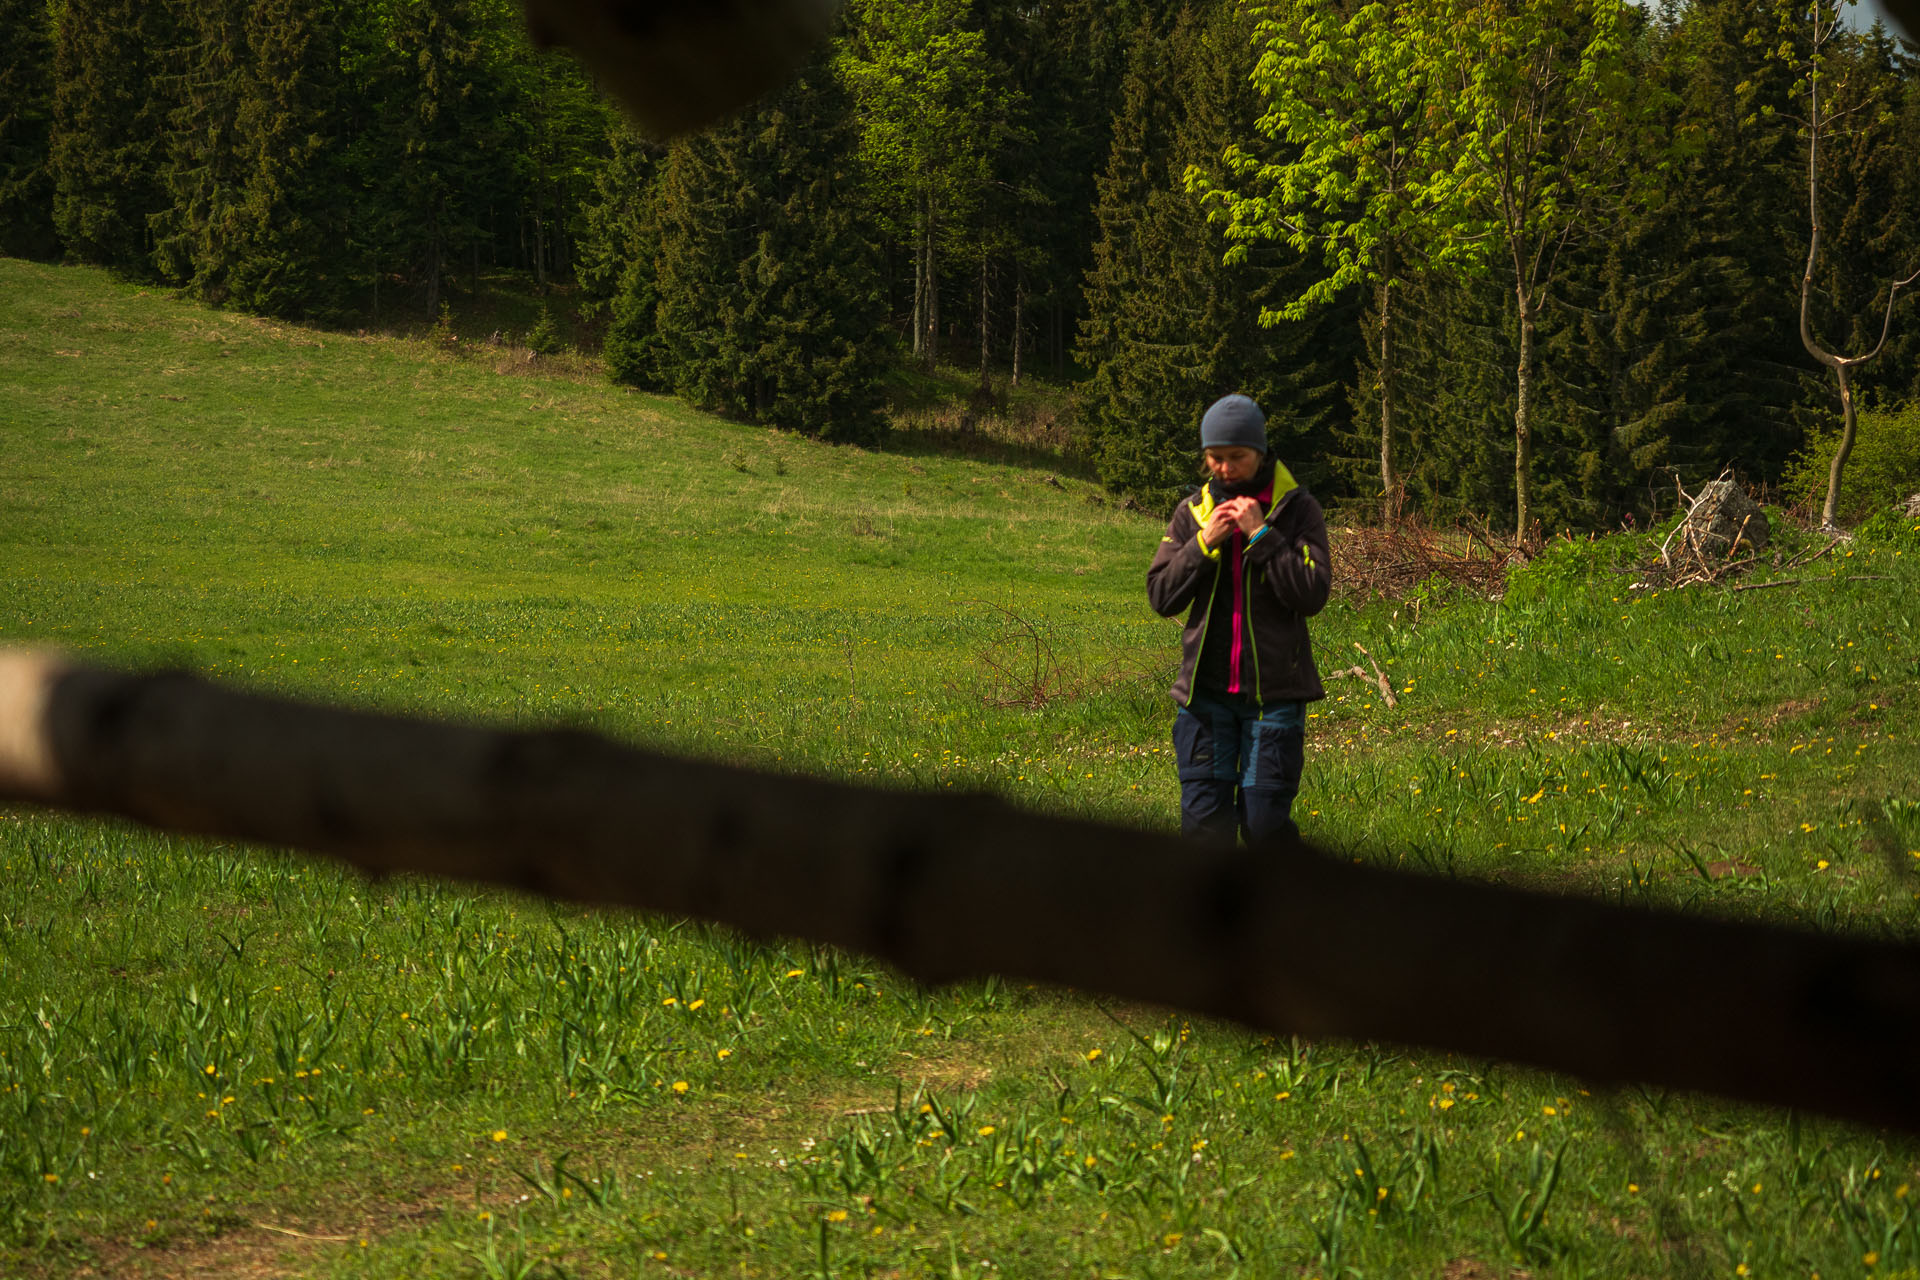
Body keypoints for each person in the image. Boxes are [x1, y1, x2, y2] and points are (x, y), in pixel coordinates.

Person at [1146, 394, 1331, 845]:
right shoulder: (1192, 513)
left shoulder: (1297, 510)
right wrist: (1203, 544)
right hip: (1204, 699)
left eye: (1237, 458)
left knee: (1264, 826)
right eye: (1215, 458)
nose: (1225, 469)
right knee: (1205, 831)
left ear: (1261, 453)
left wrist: (1262, 536)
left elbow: (1312, 594)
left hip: (1275, 697)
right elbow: (1161, 596)